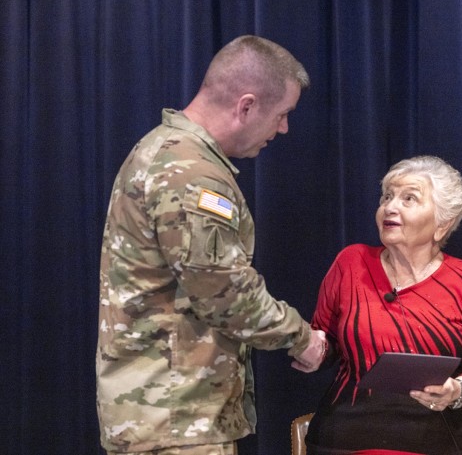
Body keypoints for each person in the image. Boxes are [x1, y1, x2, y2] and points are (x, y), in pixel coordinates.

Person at [96, 35, 326, 455]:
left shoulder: (161, 149)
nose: (284, 128)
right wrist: (301, 338)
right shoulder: (190, 171)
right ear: (247, 105)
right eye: (282, 114)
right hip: (177, 420)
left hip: (162, 414)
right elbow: (223, 292)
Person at [302, 156, 462, 455]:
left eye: (409, 199)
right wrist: (310, 348)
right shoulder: (351, 263)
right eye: (387, 197)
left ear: (442, 225)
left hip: (450, 442)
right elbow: (325, 343)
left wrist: (457, 391)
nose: (390, 207)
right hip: (348, 441)